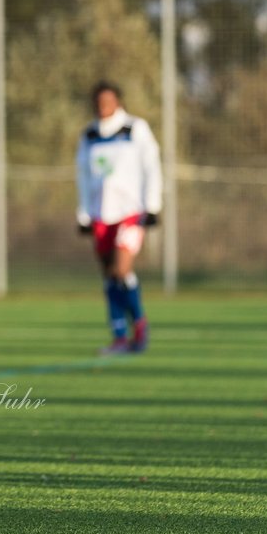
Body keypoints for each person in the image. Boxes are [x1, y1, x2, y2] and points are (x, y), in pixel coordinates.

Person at [75, 80, 162, 354]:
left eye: (108, 101)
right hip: (102, 214)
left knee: (122, 269)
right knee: (109, 276)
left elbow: (151, 165)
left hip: (131, 212)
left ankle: (140, 324)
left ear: (118, 102)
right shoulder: (89, 135)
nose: (104, 106)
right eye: (99, 102)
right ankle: (120, 337)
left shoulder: (135, 128)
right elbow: (83, 177)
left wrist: (153, 205)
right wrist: (84, 212)